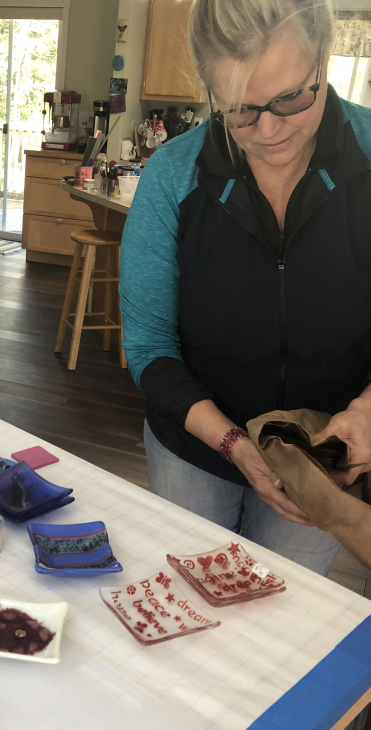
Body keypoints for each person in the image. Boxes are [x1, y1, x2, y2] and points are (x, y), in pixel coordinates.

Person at [119, 0, 371, 576]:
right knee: (188, 598)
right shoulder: (173, 176)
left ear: (324, 62)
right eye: (239, 111)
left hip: (320, 453)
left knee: (280, 616)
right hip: (193, 447)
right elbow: (150, 348)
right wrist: (237, 446)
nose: (269, 130)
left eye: (291, 98)